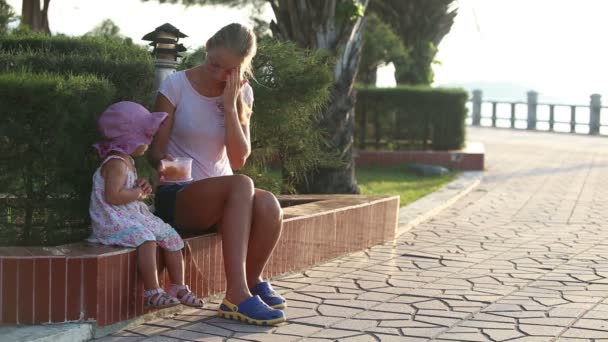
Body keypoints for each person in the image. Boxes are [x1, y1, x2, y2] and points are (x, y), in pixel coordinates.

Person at [149, 23, 286, 325]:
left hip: (228, 195)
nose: (218, 73)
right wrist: (167, 165)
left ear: (240, 70)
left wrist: (229, 104)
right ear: (208, 45)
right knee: (242, 186)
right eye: (215, 63)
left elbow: (238, 160)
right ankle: (237, 296)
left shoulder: (242, 93)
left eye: (229, 70)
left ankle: (249, 284)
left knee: (268, 204)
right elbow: (154, 151)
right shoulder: (175, 85)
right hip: (180, 194)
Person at [89, 101, 204, 309]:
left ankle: (178, 286)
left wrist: (139, 184)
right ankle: (152, 291)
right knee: (146, 238)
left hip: (129, 214)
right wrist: (137, 193)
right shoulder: (115, 163)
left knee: (170, 235)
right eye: (146, 137)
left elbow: (126, 188)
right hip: (112, 219)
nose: (150, 141)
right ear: (129, 138)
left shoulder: (127, 161)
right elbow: (113, 196)